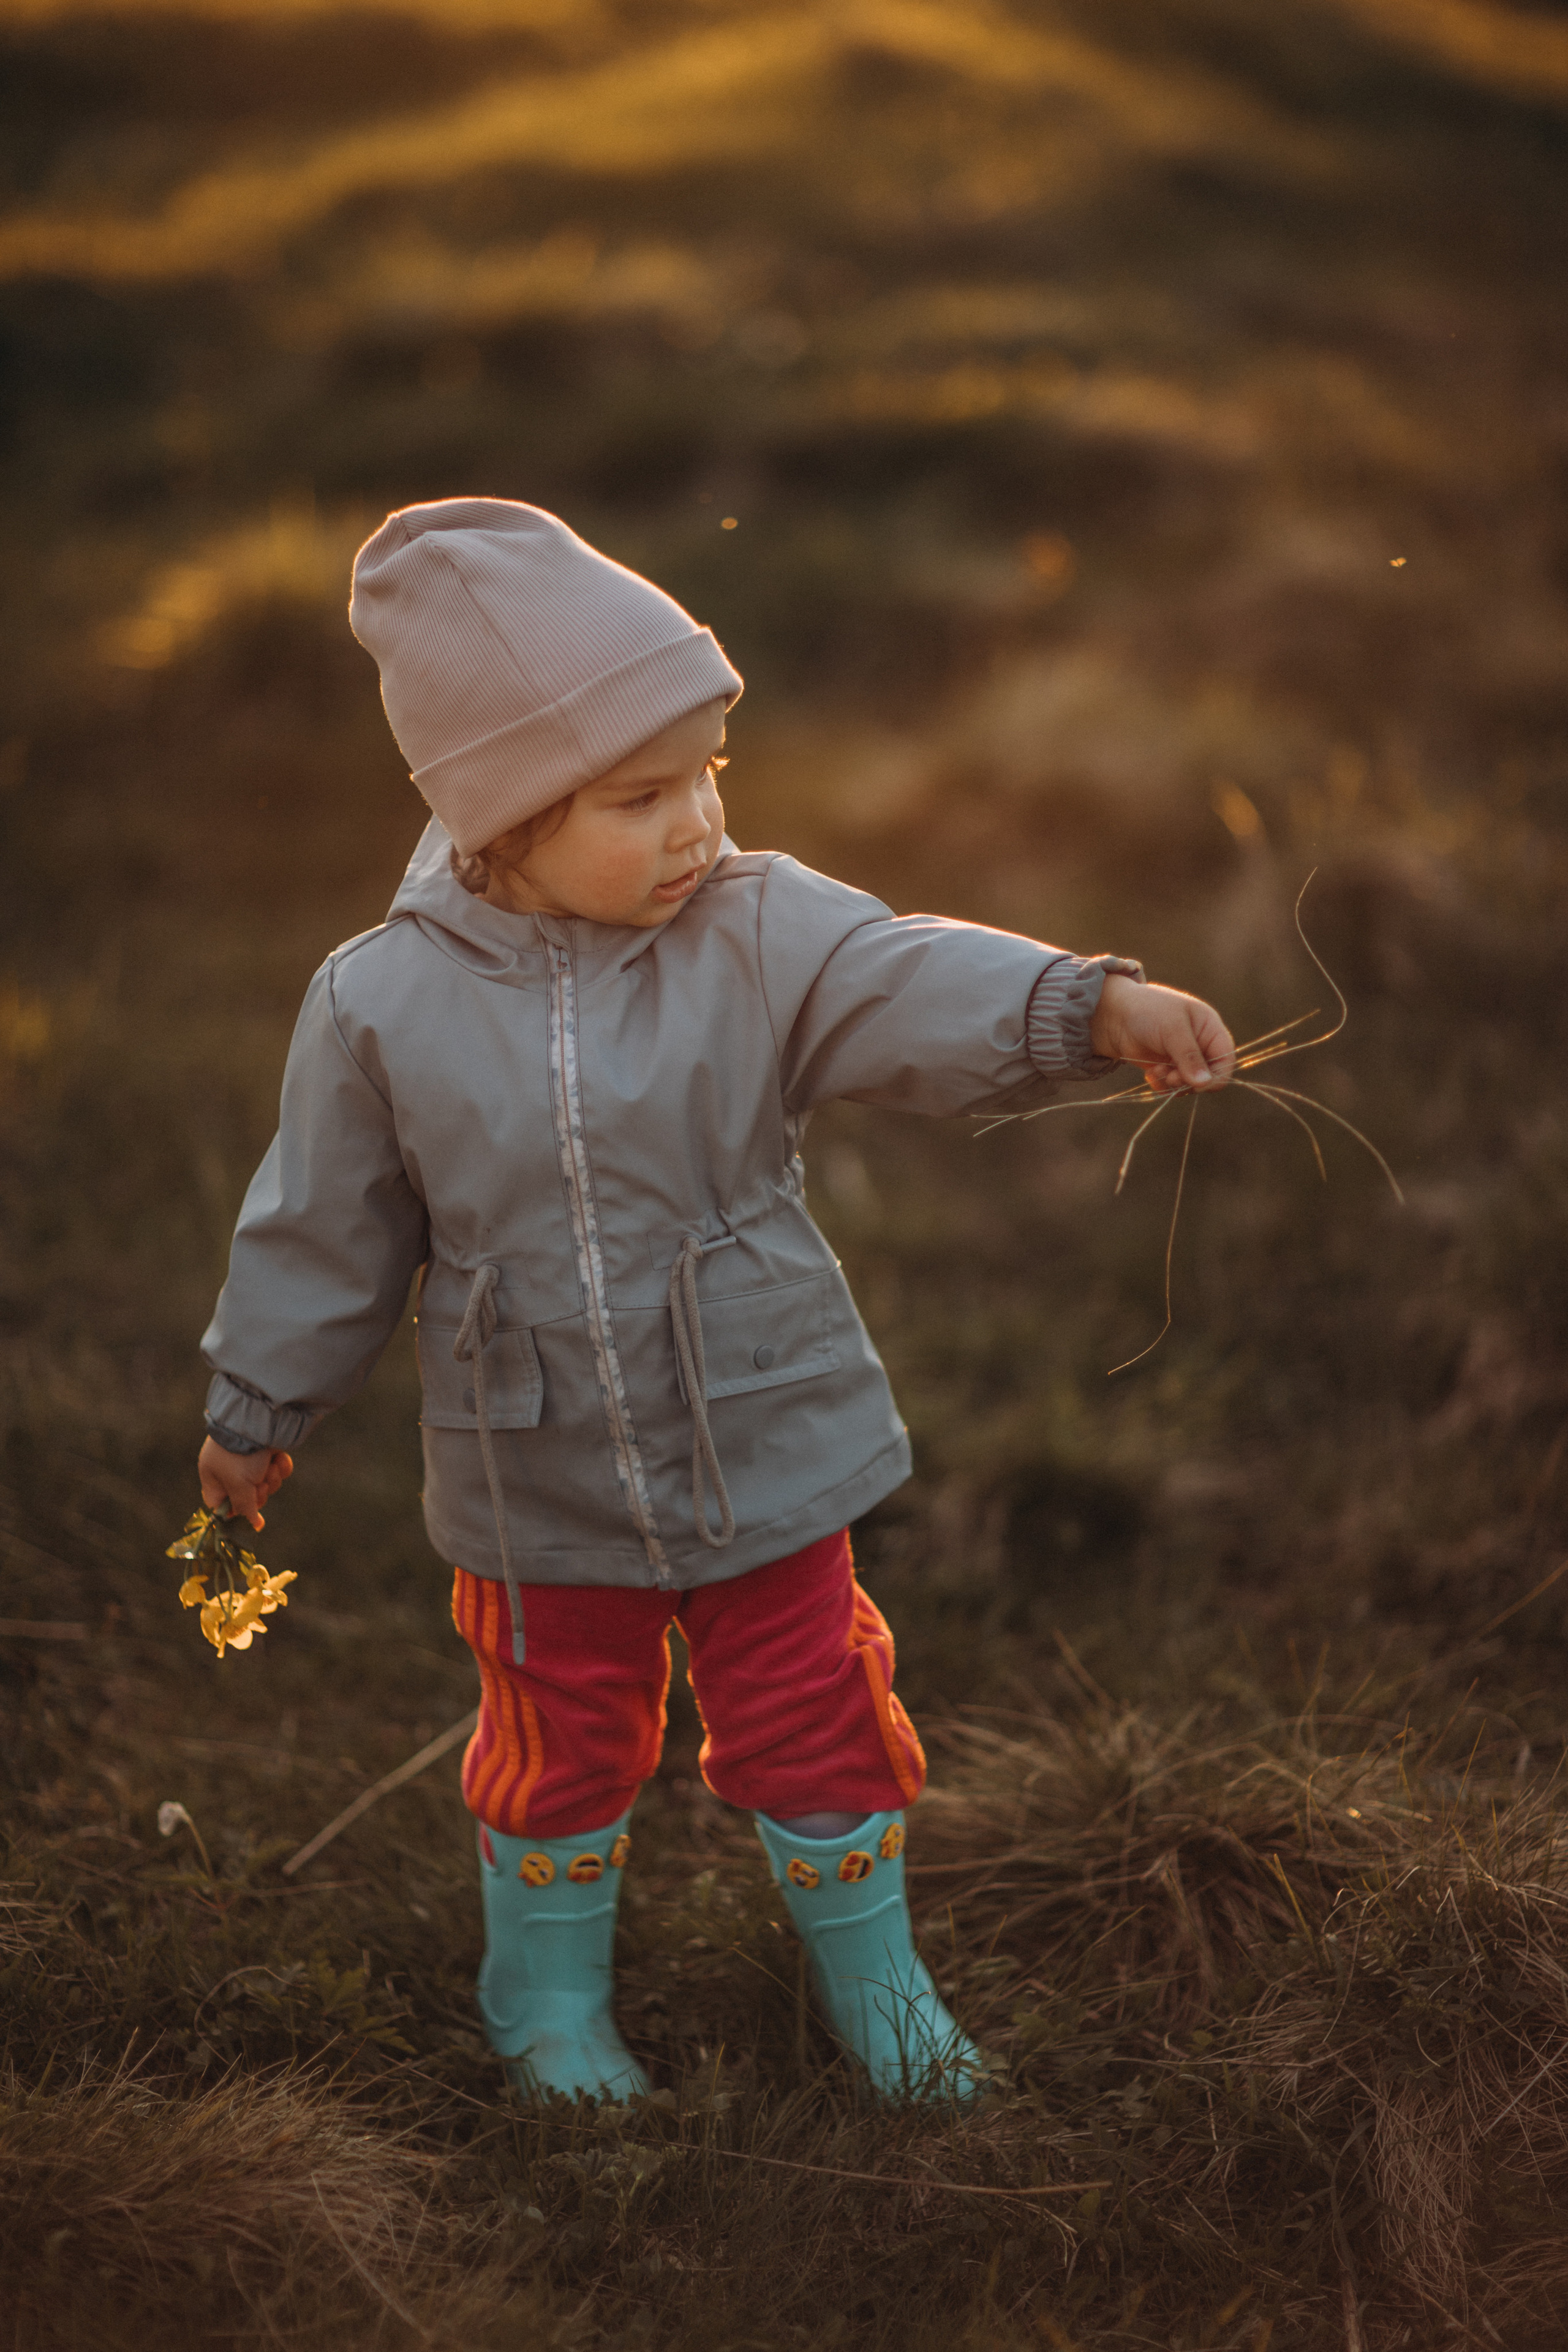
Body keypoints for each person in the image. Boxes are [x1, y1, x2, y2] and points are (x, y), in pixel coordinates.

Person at [197, 497, 1234, 2105]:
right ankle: (547, 2008)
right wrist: (262, 1406)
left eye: (707, 776)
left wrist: (1086, 1004)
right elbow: (325, 1224)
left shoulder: (753, 928)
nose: (694, 824)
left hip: (765, 1424)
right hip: (531, 1464)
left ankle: (878, 1989)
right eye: (638, 795)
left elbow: (907, 970)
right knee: (558, 1734)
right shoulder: (380, 1006)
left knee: (820, 1700)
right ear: (501, 815)